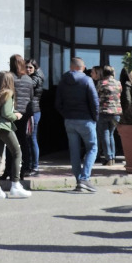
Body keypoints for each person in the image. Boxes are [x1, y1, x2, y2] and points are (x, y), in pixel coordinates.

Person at [0, 71, 31, 199]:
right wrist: (16, 115)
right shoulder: (8, 93)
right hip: (4, 127)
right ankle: (15, 185)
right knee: (17, 153)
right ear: (9, 81)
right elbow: (6, 114)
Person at [55, 56, 99, 193]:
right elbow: (94, 101)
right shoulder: (87, 80)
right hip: (86, 120)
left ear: (71, 67)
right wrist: (95, 118)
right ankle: (85, 179)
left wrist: (66, 115)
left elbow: (57, 103)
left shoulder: (63, 81)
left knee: (74, 152)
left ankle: (79, 181)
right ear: (83, 68)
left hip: (69, 120)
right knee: (92, 147)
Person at [5, 55, 33, 180]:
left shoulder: (9, 77)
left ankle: (8, 170)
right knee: (23, 141)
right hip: (24, 113)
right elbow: (31, 96)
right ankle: (25, 168)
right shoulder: (28, 79)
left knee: (9, 142)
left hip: (12, 113)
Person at [96, 65, 122, 166]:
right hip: (116, 112)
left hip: (104, 111)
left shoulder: (101, 83)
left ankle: (108, 158)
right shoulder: (118, 83)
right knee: (111, 134)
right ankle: (112, 157)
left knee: (105, 134)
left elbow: (96, 95)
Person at [25, 59, 45, 175]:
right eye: (26, 67)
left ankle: (35, 167)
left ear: (35, 68)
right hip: (30, 111)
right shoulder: (34, 77)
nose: (28, 69)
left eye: (30, 68)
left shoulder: (36, 78)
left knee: (32, 139)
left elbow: (29, 85)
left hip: (33, 111)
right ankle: (30, 165)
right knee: (28, 139)